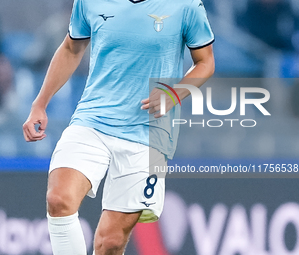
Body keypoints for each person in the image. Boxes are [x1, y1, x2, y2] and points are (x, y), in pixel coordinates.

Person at [22, 0, 215, 254]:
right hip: (92, 119)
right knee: (58, 199)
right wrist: (40, 102)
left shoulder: (186, 5)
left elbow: (206, 62)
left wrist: (174, 93)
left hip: (149, 133)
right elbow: (71, 48)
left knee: (110, 241)